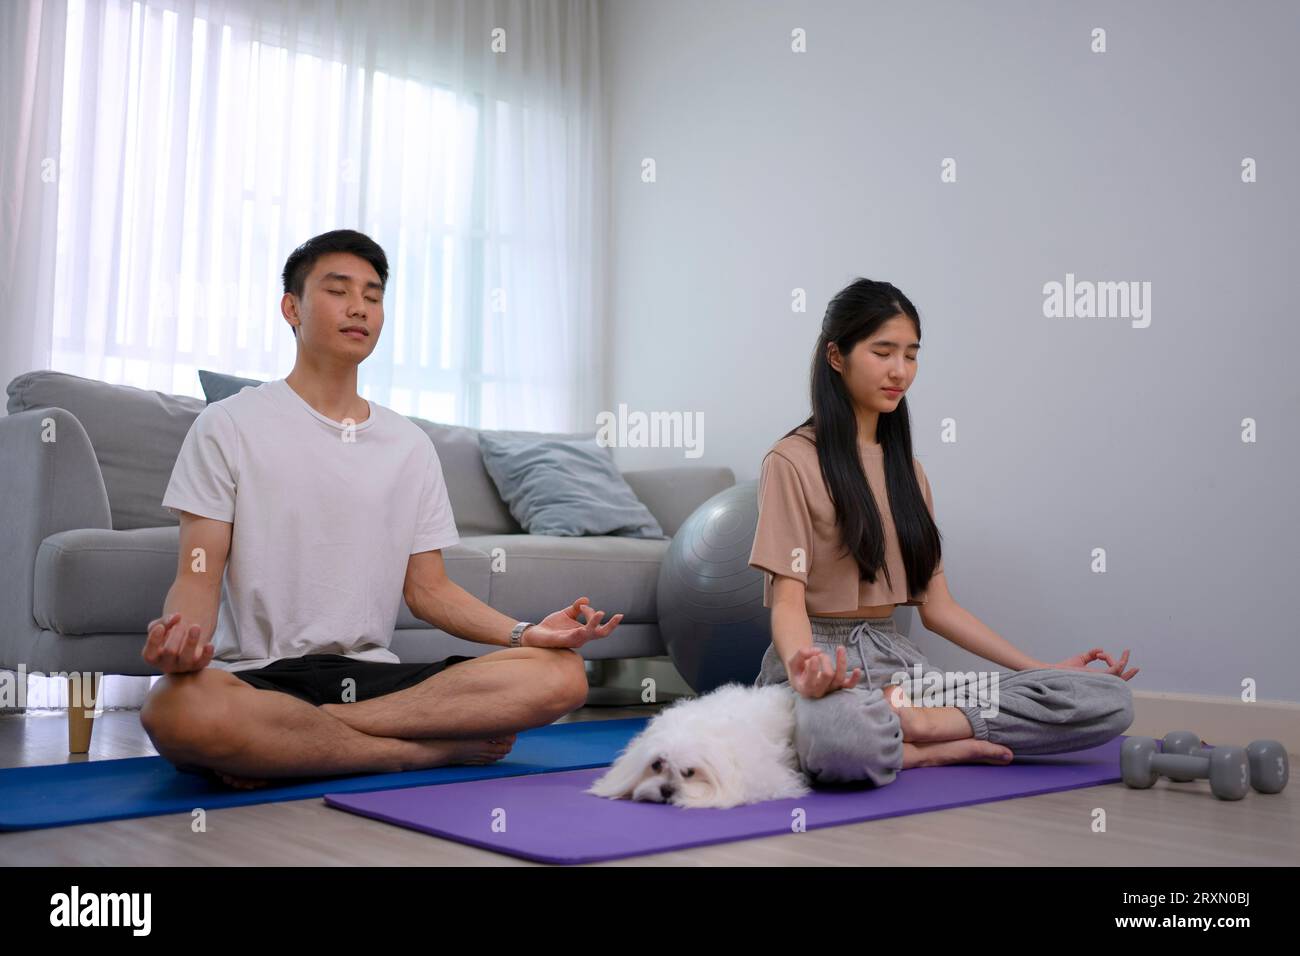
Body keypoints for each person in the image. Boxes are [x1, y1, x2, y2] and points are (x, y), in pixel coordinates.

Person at [140, 229, 622, 790]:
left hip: (372, 680)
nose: (358, 308)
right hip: (253, 677)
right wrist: (182, 638)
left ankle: (294, 743)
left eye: (372, 296)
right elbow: (198, 572)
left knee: (560, 678)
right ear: (290, 308)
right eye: (338, 290)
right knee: (173, 712)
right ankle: (418, 756)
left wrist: (526, 635)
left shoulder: (408, 444)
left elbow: (429, 590)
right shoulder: (227, 425)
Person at [747, 277, 1137, 788]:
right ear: (836, 357)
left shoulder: (909, 471)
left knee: (1106, 701)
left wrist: (1040, 670)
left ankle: (918, 726)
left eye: (911, 355)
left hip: (902, 677)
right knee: (836, 733)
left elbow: (939, 608)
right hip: (826, 665)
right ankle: (931, 751)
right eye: (882, 352)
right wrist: (805, 668)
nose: (899, 372)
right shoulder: (791, 461)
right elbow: (788, 603)